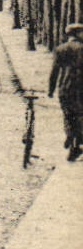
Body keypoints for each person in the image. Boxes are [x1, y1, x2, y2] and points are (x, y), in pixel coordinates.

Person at [48, 22, 83, 162]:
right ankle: (75, 144)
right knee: (80, 116)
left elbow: (54, 72)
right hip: (80, 88)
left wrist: (51, 89)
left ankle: (70, 136)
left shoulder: (60, 49)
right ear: (77, 34)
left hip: (65, 88)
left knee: (68, 115)